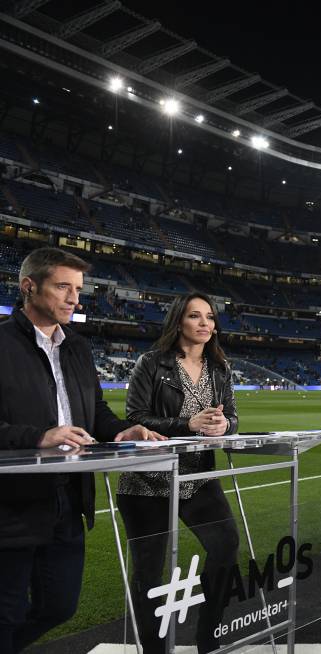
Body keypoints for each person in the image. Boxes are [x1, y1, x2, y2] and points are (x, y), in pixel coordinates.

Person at [0, 247, 161, 652]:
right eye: (63, 287)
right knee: (7, 613)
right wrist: (39, 436)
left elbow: (97, 413)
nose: (74, 298)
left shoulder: (77, 346)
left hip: (69, 499)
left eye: (78, 289)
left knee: (59, 607)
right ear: (29, 287)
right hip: (11, 506)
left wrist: (124, 432)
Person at [117, 293, 240, 654]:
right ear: (178, 321)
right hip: (147, 482)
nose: (205, 323)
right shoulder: (152, 363)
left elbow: (232, 417)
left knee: (225, 545)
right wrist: (187, 424)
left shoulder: (220, 368)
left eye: (210, 317)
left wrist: (224, 426)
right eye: (194, 316)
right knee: (149, 575)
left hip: (197, 477)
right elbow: (135, 418)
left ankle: (208, 635)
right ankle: (154, 650)